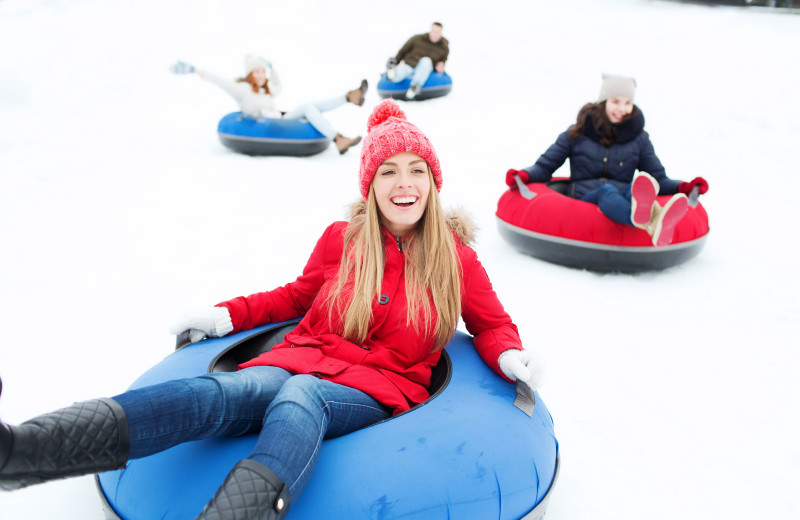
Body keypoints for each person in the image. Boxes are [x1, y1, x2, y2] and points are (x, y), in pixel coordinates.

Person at [0, 99, 543, 519]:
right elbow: (295, 298)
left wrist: (510, 356)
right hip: (303, 357)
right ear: (370, 183)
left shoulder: (456, 260)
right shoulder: (342, 239)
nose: (404, 184)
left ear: (433, 180)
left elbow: (491, 324)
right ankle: (26, 451)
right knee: (227, 391)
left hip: (378, 387)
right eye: (389, 171)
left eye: (416, 170)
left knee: (301, 394)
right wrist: (226, 316)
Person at [505, 74, 709, 247]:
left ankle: (651, 217)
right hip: (584, 198)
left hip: (623, 196)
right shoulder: (576, 133)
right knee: (606, 190)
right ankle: (647, 222)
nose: (622, 109)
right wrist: (524, 175)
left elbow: (658, 179)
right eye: (616, 102)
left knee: (635, 187)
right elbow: (545, 166)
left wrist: (684, 186)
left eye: (628, 103)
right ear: (603, 102)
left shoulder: (639, 139)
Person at [170, 54, 367, 155]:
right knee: (308, 107)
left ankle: (349, 98)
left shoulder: (266, 90)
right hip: (266, 123)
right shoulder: (242, 89)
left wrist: (272, 68)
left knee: (311, 106)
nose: (261, 75)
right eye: (257, 72)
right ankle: (338, 138)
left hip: (280, 119)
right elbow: (220, 81)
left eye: (262, 72)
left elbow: (279, 85)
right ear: (250, 75)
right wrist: (195, 70)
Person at [385, 22, 449, 100]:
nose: (435, 34)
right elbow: (402, 51)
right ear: (430, 30)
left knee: (426, 61)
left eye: (437, 32)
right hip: (410, 63)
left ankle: (414, 87)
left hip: (424, 69)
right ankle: (392, 72)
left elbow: (442, 62)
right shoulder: (417, 38)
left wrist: (440, 67)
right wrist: (395, 61)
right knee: (402, 72)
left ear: (441, 33)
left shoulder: (444, 47)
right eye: (433, 31)